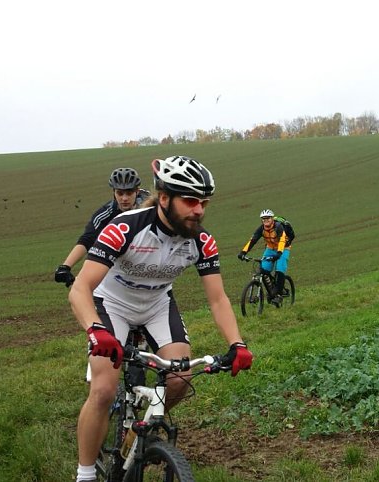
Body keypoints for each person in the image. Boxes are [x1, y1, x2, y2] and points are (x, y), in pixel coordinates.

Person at [68, 155, 253, 482]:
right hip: (111, 303)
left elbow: (218, 299)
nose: (199, 210)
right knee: (103, 390)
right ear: (164, 198)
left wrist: (236, 344)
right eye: (191, 200)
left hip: (156, 304)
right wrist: (95, 329)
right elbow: (80, 288)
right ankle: (84, 475)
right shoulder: (125, 228)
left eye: (204, 202)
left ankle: (142, 430)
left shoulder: (201, 240)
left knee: (180, 378)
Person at [54, 168, 150, 287]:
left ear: (137, 191)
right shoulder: (106, 213)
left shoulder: (149, 205)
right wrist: (65, 266)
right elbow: (87, 239)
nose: (124, 198)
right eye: (120, 193)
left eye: (129, 193)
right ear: (114, 192)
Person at [238, 209, 295, 305]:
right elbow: (253, 240)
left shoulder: (278, 227)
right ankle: (272, 290)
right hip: (270, 248)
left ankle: (279, 295)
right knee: (263, 270)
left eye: (268, 218)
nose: (266, 220)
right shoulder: (261, 229)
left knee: (280, 269)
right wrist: (243, 252)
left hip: (283, 248)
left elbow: (281, 240)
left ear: (272, 218)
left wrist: (279, 253)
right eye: (263, 219)